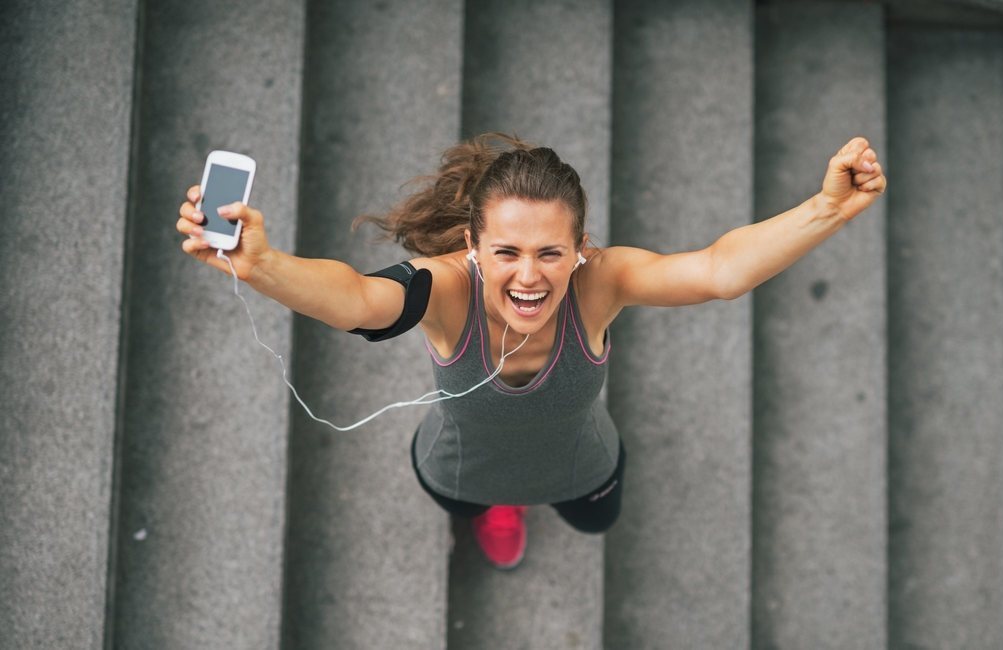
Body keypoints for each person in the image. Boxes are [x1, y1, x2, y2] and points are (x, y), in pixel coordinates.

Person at [176, 133, 886, 570]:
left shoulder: (599, 283)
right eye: (507, 251)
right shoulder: (446, 290)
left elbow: (718, 270)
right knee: (472, 503)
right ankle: (497, 507)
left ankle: (519, 500)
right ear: (471, 247)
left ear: (580, 249)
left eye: (551, 252)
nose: (528, 275)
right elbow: (358, 299)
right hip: (459, 467)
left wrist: (825, 208)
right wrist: (262, 265)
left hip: (585, 464)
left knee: (596, 520)